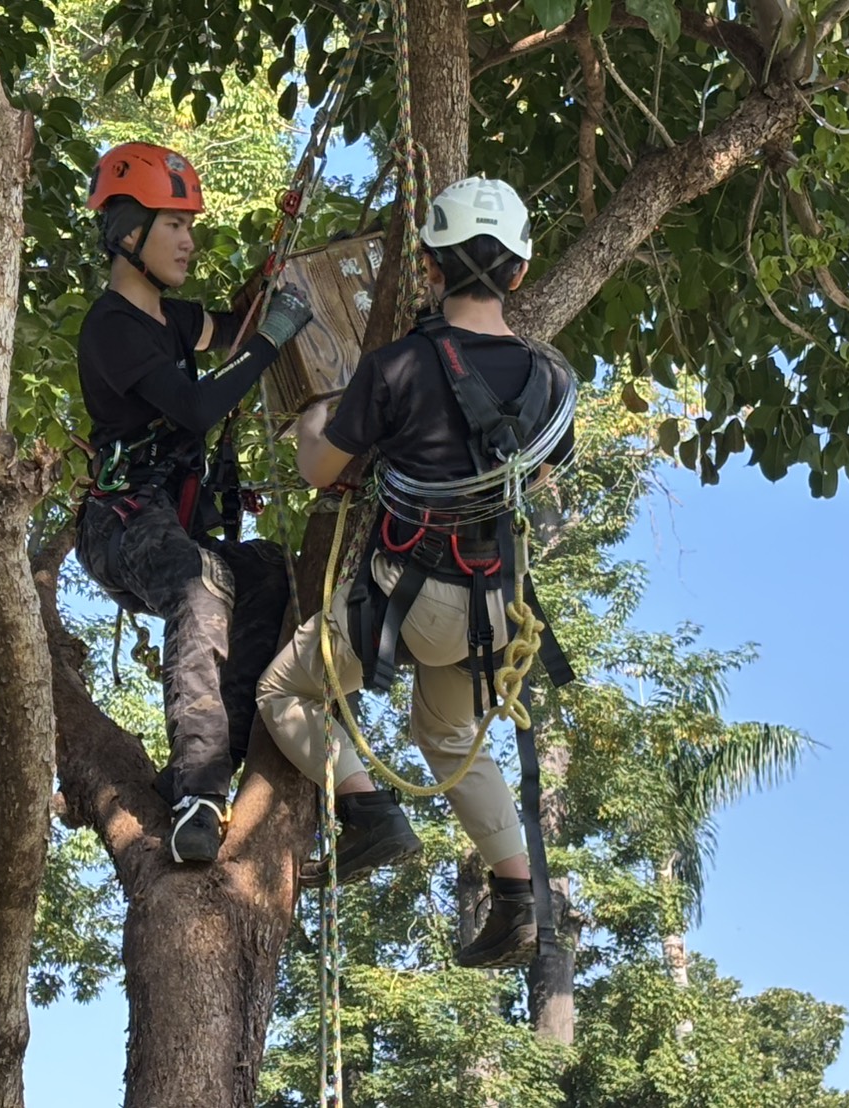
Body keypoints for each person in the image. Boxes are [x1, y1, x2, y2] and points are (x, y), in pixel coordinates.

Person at [255, 177, 577, 968]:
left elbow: (323, 470)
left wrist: (309, 417)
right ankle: (516, 896)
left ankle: (368, 814)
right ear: (519, 273)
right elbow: (539, 478)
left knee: (281, 691)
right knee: (447, 733)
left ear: (429, 268)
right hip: (495, 608)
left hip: (410, 597)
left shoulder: (394, 366)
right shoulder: (554, 381)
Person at [74, 142, 314, 865]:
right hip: (121, 526)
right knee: (199, 587)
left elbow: (226, 330)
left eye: (189, 226)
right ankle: (196, 793)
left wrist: (260, 294)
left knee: (271, 573)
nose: (188, 241)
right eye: (173, 225)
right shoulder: (111, 327)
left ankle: (224, 765)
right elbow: (197, 405)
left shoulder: (173, 319)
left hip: (175, 523)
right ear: (127, 234)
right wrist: (271, 342)